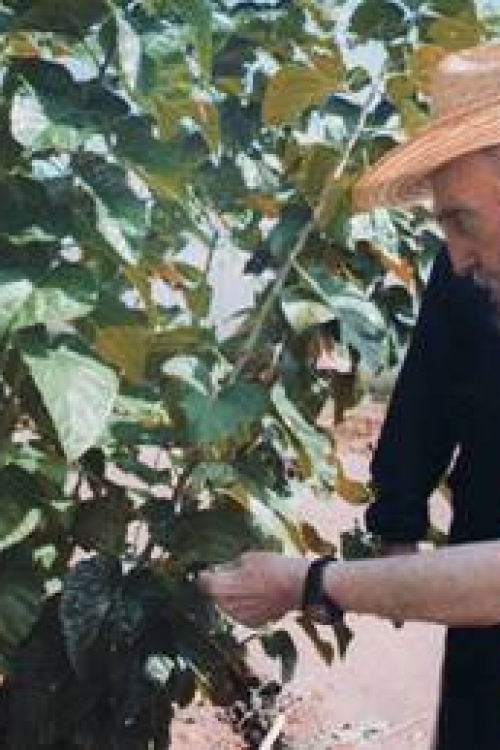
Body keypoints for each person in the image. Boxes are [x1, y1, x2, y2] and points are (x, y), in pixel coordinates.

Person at [199, 44, 500, 750]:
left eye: (461, 220)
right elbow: (429, 387)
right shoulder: (472, 276)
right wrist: (399, 519)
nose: (457, 256)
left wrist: (311, 581)